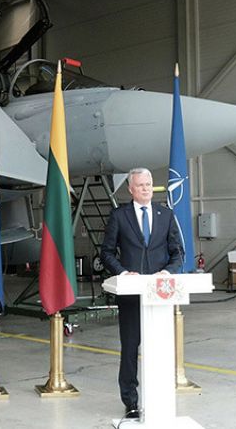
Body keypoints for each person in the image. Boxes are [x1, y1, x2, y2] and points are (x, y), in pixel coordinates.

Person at [100, 168, 183, 420]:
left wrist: (166, 273)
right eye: (140, 185)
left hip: (160, 294)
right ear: (131, 189)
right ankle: (131, 402)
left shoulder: (166, 215)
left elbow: (178, 252)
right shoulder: (119, 216)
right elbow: (106, 252)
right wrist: (124, 273)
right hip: (130, 294)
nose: (146, 188)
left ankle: (158, 398)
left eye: (148, 184)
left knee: (158, 348)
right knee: (129, 349)